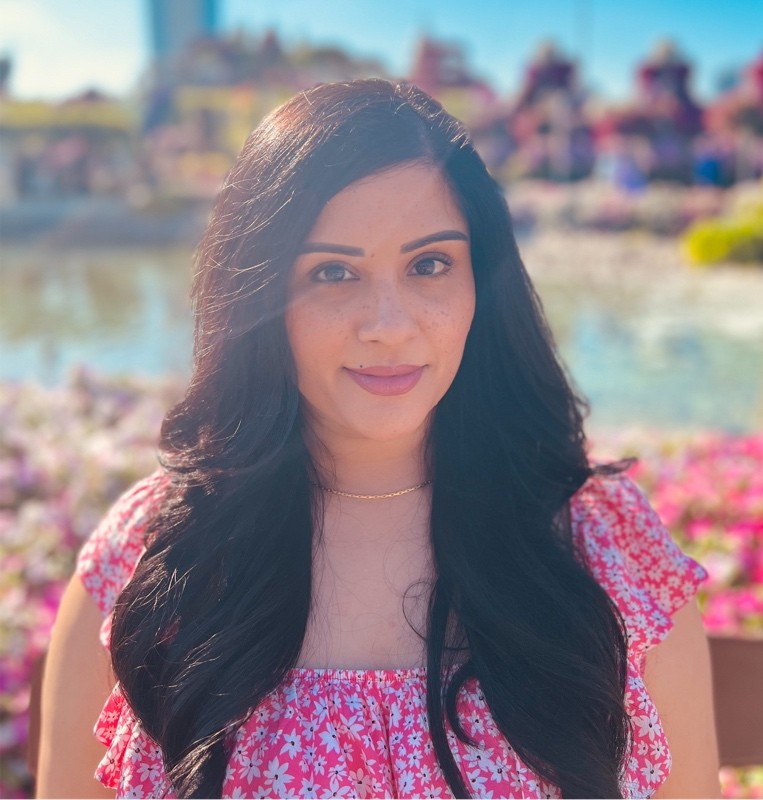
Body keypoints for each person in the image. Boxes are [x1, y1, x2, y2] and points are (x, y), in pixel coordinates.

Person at [37, 79, 719, 799]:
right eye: (334, 272)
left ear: (481, 284)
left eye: (430, 265)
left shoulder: (604, 546)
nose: (389, 324)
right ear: (260, 297)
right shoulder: (150, 558)